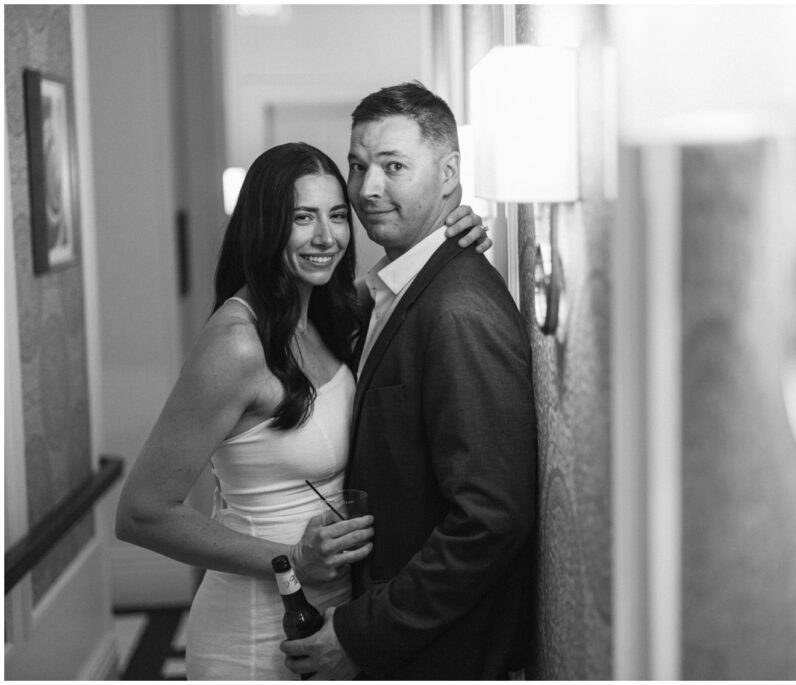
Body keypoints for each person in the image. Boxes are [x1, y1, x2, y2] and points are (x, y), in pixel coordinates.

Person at [114, 141, 491, 680]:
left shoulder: (332, 313)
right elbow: (141, 513)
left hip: (333, 617)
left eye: (338, 216)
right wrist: (291, 556)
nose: (326, 238)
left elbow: (402, 278)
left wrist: (454, 234)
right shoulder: (236, 346)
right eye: (302, 218)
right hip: (253, 629)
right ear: (266, 226)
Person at [280, 82, 538, 679]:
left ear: (449, 173)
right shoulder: (394, 288)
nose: (367, 189)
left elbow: (490, 518)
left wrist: (360, 633)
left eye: (394, 167)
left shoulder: (458, 310)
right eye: (358, 166)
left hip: (443, 655)